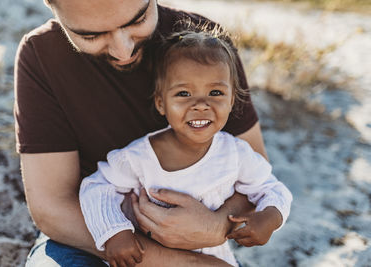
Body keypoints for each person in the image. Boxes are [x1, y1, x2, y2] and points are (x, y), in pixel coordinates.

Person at [15, 0, 270, 266]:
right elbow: (52, 207)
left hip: (203, 248)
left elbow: (255, 174)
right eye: (91, 35)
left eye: (137, 21)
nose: (122, 50)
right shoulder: (42, 55)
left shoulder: (206, 47)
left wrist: (216, 227)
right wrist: (181, 263)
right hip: (90, 237)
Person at [79, 30, 292, 267]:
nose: (201, 104)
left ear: (231, 100)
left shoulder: (236, 154)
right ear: (161, 103)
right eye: (183, 93)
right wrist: (115, 233)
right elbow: (97, 188)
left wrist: (270, 218)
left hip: (214, 261)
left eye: (215, 93)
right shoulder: (140, 157)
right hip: (148, 259)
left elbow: (272, 189)